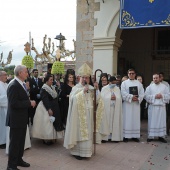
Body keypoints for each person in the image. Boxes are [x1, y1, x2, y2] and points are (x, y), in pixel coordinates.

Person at [64, 63, 105, 160]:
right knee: (79, 133)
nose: (85, 80)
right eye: (84, 78)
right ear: (79, 78)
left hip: (89, 114)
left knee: (88, 133)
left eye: (87, 78)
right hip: (78, 116)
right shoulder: (75, 88)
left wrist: (97, 89)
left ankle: (86, 152)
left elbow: (98, 100)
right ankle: (77, 152)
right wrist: (82, 92)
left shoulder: (91, 88)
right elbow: (72, 99)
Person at [6, 65, 36, 170]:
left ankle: (18, 159)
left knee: (20, 141)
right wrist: (29, 102)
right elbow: (13, 103)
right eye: (26, 72)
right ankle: (11, 166)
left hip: (21, 118)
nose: (27, 74)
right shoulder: (13, 85)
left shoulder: (21, 84)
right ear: (20, 73)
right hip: (16, 119)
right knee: (15, 143)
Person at [32, 74, 64, 145]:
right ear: (46, 81)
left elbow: (56, 96)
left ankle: (52, 137)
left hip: (54, 106)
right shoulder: (44, 88)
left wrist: (59, 87)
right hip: (46, 107)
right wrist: (49, 109)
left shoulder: (52, 87)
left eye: (52, 80)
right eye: (51, 80)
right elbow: (45, 99)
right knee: (47, 123)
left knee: (53, 122)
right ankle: (46, 138)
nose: (52, 81)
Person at [144, 73, 170, 143]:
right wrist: (154, 96)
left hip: (161, 108)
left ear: (159, 78)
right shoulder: (149, 87)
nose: (155, 79)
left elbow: (168, 96)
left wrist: (162, 96)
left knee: (161, 122)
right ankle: (151, 136)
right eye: (154, 78)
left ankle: (161, 136)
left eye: (156, 78)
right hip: (153, 107)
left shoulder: (165, 87)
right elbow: (146, 96)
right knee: (152, 122)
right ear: (152, 79)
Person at [121, 69, 144, 142]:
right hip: (127, 104)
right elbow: (123, 93)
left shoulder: (139, 84)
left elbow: (142, 93)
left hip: (136, 105)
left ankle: (135, 136)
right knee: (127, 119)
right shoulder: (124, 83)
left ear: (135, 74)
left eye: (132, 73)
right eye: (130, 73)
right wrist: (131, 97)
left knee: (135, 119)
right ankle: (126, 136)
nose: (131, 74)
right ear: (128, 74)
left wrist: (138, 98)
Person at [98, 76, 123, 143]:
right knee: (107, 122)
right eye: (112, 83)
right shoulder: (104, 88)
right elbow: (102, 98)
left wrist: (116, 98)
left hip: (115, 108)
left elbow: (120, 98)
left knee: (114, 122)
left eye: (115, 82)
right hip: (107, 109)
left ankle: (114, 137)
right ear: (109, 82)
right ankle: (105, 137)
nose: (114, 84)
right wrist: (109, 98)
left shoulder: (117, 89)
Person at [0, 71, 8, 149]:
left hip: (7, 109)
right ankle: (1, 142)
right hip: (1, 109)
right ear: (0, 76)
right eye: (5, 75)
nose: (6, 76)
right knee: (1, 126)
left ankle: (5, 141)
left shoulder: (6, 84)